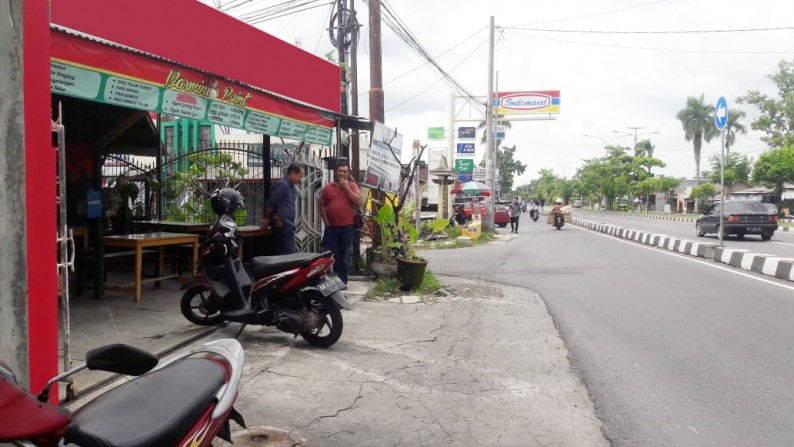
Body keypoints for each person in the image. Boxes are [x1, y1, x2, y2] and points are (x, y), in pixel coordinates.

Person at [320, 161, 361, 285]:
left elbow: (358, 202)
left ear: (348, 174)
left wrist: (346, 187)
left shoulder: (353, 186)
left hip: (347, 227)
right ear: (336, 172)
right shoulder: (328, 187)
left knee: (345, 253)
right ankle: (323, 279)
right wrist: (326, 222)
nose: (342, 173)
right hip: (331, 227)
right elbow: (322, 204)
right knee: (328, 253)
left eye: (345, 171)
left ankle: (342, 281)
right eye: (340, 171)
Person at [261, 163, 305, 254]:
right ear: (293, 173)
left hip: (287, 224)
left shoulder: (291, 187)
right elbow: (271, 203)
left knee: (286, 253)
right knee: (288, 254)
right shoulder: (283, 185)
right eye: (300, 176)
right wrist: (267, 218)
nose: (301, 180)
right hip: (282, 224)